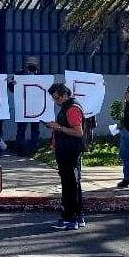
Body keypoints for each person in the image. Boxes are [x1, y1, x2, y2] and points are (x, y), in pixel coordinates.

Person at [46, 82, 85, 230]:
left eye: (57, 98)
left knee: (69, 185)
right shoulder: (67, 107)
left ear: (64, 95)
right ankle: (78, 216)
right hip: (67, 150)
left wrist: (59, 127)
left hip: (70, 151)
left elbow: (78, 132)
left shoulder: (72, 109)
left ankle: (70, 218)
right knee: (73, 184)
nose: (55, 101)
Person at [9, 56, 42, 157]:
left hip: (35, 107)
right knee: (21, 128)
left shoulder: (41, 76)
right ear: (27, 64)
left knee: (35, 129)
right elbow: (10, 88)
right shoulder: (19, 74)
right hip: (23, 106)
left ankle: (33, 148)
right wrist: (13, 84)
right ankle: (20, 149)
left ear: (37, 65)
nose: (32, 66)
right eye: (30, 64)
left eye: (34, 64)